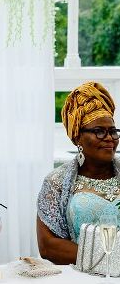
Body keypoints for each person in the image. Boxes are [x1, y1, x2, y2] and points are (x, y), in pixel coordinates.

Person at [37, 82, 120, 264]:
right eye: (99, 131)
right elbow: (47, 246)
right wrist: (111, 259)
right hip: (80, 278)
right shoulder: (56, 181)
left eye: (113, 131)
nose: (109, 138)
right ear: (77, 137)